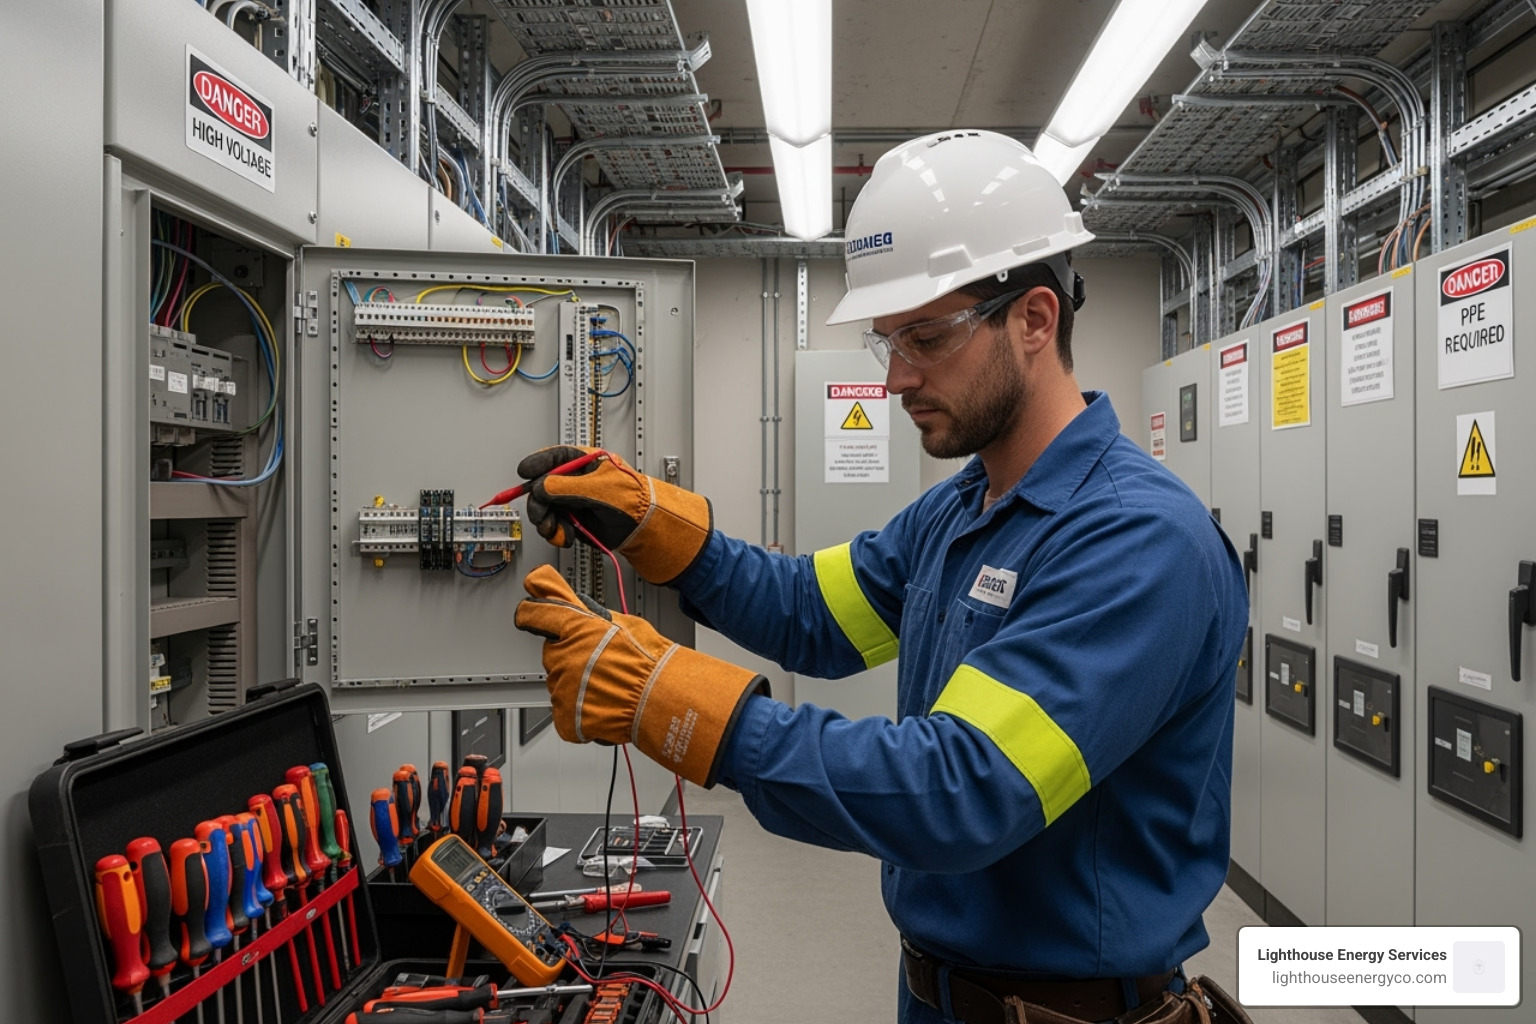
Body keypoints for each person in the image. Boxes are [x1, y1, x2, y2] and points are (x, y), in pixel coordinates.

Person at [512, 130, 1249, 1024]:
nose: (897, 377)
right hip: (935, 995)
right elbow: (811, 614)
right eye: (887, 341)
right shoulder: (963, 508)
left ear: (1035, 319)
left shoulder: (1138, 540)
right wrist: (657, 531)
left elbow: (963, 792)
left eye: (926, 336)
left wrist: (672, 700)